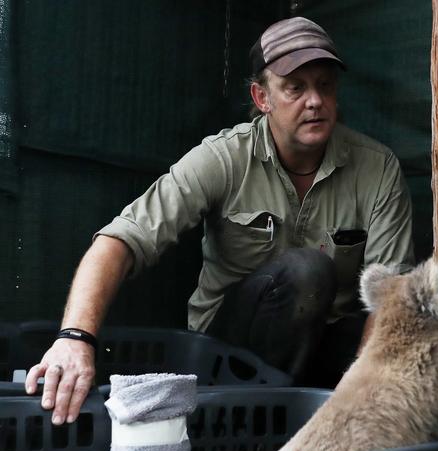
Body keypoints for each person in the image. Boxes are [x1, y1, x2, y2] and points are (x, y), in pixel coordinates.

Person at [25, 16, 414, 425]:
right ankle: (256, 430)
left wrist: (363, 387)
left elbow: (392, 297)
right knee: (307, 270)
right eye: (295, 88)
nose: (314, 100)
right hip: (233, 356)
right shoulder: (224, 158)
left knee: (429, 333)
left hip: (329, 352)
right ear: (262, 97)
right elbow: (119, 241)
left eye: (325, 85)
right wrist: (75, 339)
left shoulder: (377, 168)